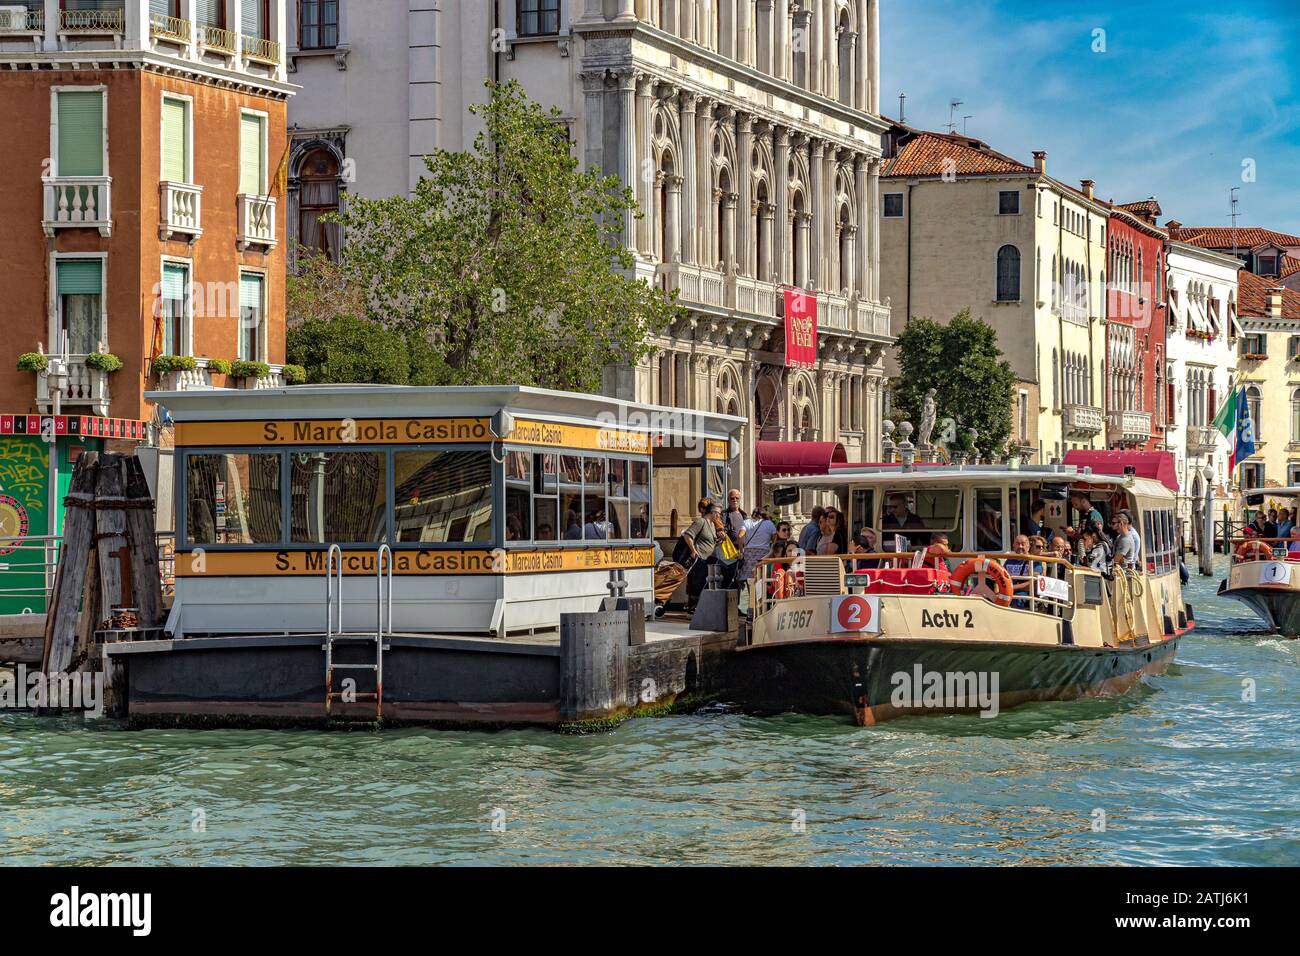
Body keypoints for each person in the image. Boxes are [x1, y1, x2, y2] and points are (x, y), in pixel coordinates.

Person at [680, 497, 717, 612]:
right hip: (699, 558)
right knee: (697, 583)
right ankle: (693, 607)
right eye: (716, 512)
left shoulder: (712, 524)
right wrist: (693, 550)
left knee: (704, 583)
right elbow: (688, 535)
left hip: (708, 559)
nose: (718, 515)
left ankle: (700, 607)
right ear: (711, 511)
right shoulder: (701, 522)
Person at [1002, 534, 1043, 609]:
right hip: (1007, 591)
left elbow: (1032, 584)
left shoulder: (1035, 562)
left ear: (1028, 547)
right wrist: (998, 590)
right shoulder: (1009, 561)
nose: (1020, 546)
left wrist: (1010, 588)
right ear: (1013, 545)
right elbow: (1000, 576)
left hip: (1023, 593)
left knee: (1017, 600)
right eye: (1017, 544)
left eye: (1023, 544)